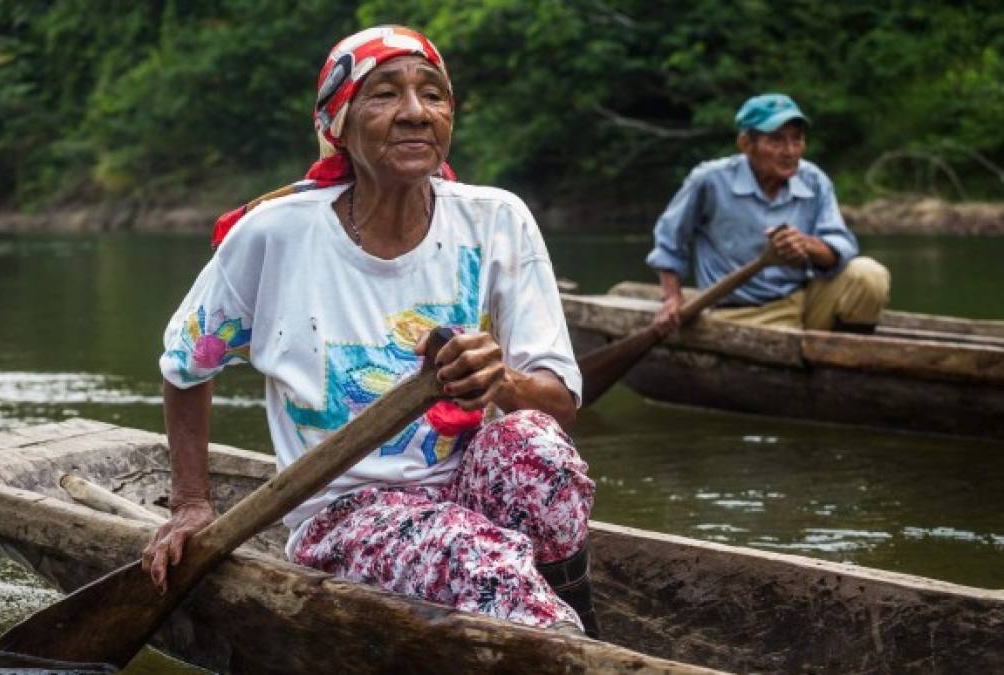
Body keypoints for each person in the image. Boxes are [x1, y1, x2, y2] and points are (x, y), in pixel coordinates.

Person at [141, 26, 599, 637]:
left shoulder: (495, 219)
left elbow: (560, 400)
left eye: (432, 94)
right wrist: (191, 503)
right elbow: (184, 365)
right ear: (340, 123)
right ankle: (558, 635)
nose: (414, 113)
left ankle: (578, 630)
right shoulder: (276, 233)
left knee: (534, 444)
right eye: (385, 94)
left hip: (465, 489)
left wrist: (500, 381)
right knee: (471, 555)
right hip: (345, 514)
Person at [647, 93, 890, 334]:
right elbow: (670, 242)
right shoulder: (710, 180)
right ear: (746, 145)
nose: (790, 151)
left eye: (797, 139)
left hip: (803, 301)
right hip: (741, 313)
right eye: (776, 141)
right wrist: (672, 298)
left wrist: (806, 246)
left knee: (869, 275)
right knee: (779, 339)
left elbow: (839, 250)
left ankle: (844, 357)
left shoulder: (813, 179)